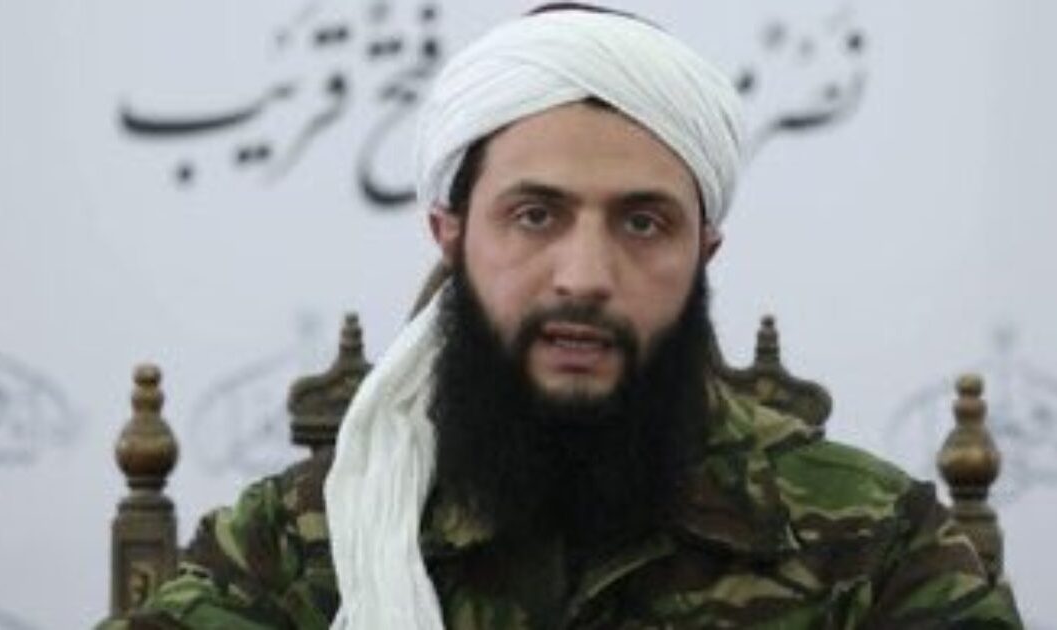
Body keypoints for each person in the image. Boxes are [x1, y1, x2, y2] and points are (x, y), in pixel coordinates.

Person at [100, 4, 1022, 629]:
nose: (584, 277)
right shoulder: (304, 543)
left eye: (643, 222)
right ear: (451, 235)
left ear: (704, 252)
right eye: (536, 215)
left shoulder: (872, 543)